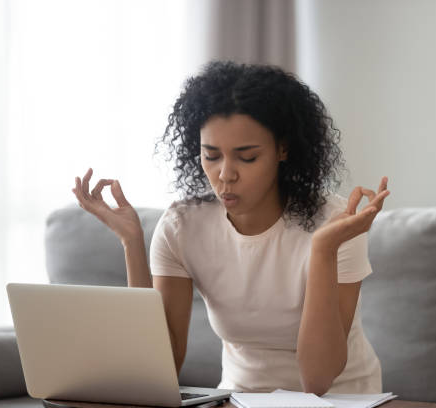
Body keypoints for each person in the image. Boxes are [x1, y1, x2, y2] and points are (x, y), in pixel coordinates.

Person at [72, 61, 390, 396]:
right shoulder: (183, 227)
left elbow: (317, 380)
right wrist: (132, 243)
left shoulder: (337, 222)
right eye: (211, 156)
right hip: (238, 398)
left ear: (283, 149)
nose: (225, 175)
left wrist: (323, 250)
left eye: (247, 157)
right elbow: (158, 367)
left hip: (343, 399)